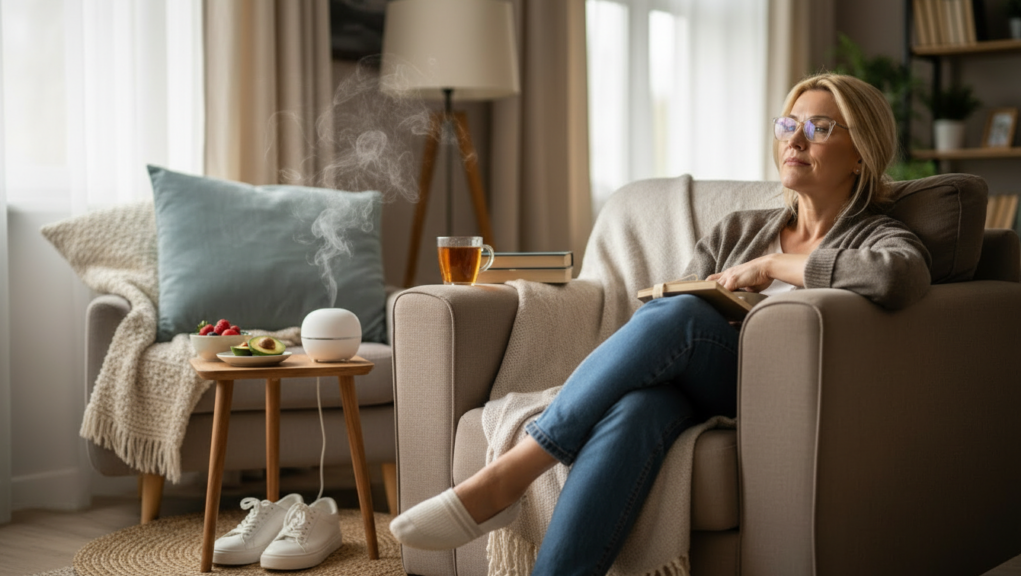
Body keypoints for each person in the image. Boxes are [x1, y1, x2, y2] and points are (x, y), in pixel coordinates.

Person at [389, 72, 932, 575]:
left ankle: (508, 475)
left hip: (769, 393)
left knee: (686, 316)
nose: (795, 140)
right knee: (635, 407)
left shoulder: (875, 234)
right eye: (789, 125)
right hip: (695, 385)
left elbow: (901, 278)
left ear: (861, 153)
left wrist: (773, 267)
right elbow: (678, 301)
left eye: (820, 128)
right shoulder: (739, 228)